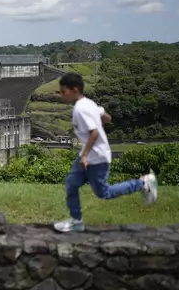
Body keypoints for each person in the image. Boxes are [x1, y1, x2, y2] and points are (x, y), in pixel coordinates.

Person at [53, 72, 158, 233]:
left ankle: (142, 183)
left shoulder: (81, 109)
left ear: (74, 90)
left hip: (97, 158)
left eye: (63, 91)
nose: (61, 96)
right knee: (71, 183)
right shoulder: (88, 103)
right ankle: (77, 222)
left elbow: (94, 133)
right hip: (88, 155)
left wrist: (86, 155)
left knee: (104, 193)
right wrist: (101, 118)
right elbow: (106, 117)